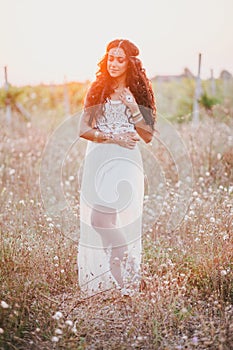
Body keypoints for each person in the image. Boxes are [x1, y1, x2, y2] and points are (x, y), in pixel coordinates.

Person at [77, 38, 156, 296]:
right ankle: (127, 282)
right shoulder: (97, 88)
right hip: (99, 156)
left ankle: (131, 273)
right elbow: (83, 130)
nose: (113, 63)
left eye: (119, 59)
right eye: (110, 57)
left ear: (130, 63)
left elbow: (147, 136)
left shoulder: (139, 92)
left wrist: (133, 105)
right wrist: (112, 137)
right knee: (101, 220)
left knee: (100, 219)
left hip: (125, 161)